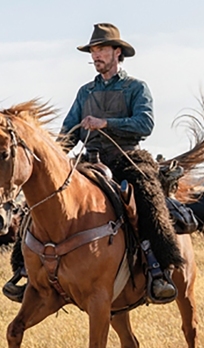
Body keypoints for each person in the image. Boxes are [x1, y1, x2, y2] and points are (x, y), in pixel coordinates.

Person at [58, 23, 179, 301]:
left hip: (127, 157)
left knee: (149, 197)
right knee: (48, 193)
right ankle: (26, 270)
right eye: (93, 51)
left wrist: (105, 123)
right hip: (89, 161)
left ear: (117, 52)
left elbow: (145, 124)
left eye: (101, 49)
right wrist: (50, 156)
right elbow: (68, 132)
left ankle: (159, 269)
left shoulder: (136, 87)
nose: (95, 55)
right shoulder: (85, 92)